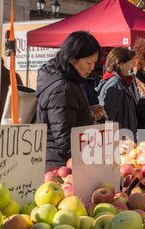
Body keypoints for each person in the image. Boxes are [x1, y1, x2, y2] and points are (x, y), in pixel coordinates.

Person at [35, 31, 107, 170]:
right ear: (73, 59)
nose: (92, 68)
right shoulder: (63, 88)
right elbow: (65, 138)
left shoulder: (71, 80)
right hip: (59, 165)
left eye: (94, 63)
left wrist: (88, 112)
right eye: (88, 62)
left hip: (61, 161)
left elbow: (66, 115)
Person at [97, 46, 138, 137]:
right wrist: (121, 138)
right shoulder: (115, 84)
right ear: (122, 64)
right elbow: (109, 117)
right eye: (130, 62)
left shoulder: (119, 81)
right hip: (120, 141)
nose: (132, 66)